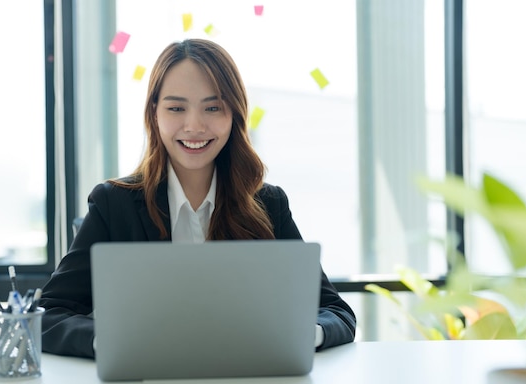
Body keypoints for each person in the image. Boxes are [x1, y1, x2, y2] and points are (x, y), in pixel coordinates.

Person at [39, 38, 356, 358]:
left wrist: (303, 334)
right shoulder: (113, 204)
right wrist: (114, 340)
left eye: (213, 107)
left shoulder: (267, 203)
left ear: (234, 112)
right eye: (176, 108)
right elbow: (48, 316)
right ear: (154, 113)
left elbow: (335, 312)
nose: (194, 126)